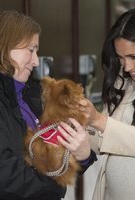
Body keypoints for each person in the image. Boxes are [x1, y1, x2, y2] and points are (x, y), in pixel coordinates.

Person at [0, 10, 96, 200]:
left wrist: (83, 156)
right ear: (5, 46)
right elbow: (2, 178)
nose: (35, 61)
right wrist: (57, 184)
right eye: (31, 50)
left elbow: (51, 159)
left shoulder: (28, 95)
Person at [76, 8, 135, 200]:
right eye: (121, 58)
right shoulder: (123, 83)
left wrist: (99, 120)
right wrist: (82, 128)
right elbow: (106, 140)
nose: (127, 67)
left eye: (133, 57)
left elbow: (107, 126)